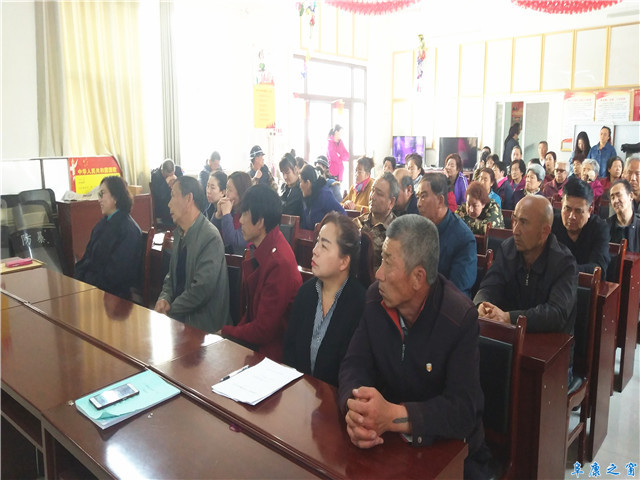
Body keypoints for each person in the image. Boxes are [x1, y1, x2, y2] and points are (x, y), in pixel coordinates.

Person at [338, 215, 489, 478]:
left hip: (450, 453)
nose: (378, 273)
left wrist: (394, 416)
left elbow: (463, 409)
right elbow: (354, 364)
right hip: (388, 445)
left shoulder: (458, 318)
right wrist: (356, 410)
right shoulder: (375, 299)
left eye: (387, 262)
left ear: (418, 277)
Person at [474, 195, 577, 334]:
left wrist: (509, 317)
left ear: (544, 231)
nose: (515, 230)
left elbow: (556, 313)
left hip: (548, 340)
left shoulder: (564, 263)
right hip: (509, 333)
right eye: (515, 220)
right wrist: (481, 304)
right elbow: (489, 286)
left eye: (523, 222)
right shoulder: (507, 249)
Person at [221, 185, 302, 362]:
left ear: (260, 222)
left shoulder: (279, 262)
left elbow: (263, 330)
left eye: (245, 214)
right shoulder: (267, 247)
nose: (240, 220)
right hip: (257, 347)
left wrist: (225, 331)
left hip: (272, 357)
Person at [283, 213, 365, 386]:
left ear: (344, 262)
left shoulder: (360, 304)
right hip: (298, 392)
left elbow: (354, 372)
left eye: (324, 246)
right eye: (317, 241)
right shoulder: (305, 293)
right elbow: (289, 349)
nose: (315, 250)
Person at [154, 176, 232, 333]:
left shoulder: (210, 237)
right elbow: (171, 277)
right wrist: (164, 298)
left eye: (173, 196)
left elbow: (201, 290)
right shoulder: (180, 232)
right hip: (179, 319)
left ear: (188, 198)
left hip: (203, 327)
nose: (169, 204)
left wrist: (170, 308)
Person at [74, 176, 142, 299]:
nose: (99, 199)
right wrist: (78, 277)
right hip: (93, 287)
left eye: (102, 193)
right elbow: (87, 258)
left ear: (115, 197)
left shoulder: (129, 230)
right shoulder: (102, 224)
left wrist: (86, 282)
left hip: (115, 297)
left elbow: (116, 274)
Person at [416, 173, 476, 296]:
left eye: (423, 196)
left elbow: (457, 291)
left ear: (440, 200)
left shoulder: (464, 238)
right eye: (418, 197)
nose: (418, 204)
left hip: (447, 302)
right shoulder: (417, 229)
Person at [551, 176, 610, 277]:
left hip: (584, 285)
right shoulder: (553, 223)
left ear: (590, 210)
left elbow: (598, 268)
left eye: (578, 211)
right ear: (562, 205)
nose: (571, 216)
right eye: (567, 209)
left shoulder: (599, 228)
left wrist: (565, 271)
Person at [354, 172, 398, 270]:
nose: (372, 197)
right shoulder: (358, 223)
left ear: (391, 202)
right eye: (372, 190)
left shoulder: (396, 232)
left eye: (379, 194)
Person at [212, 171, 252, 254]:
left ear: (241, 193)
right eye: (226, 188)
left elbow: (232, 241)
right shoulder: (230, 210)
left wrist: (226, 214)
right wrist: (218, 215)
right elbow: (210, 234)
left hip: (242, 258)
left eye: (230, 190)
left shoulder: (249, 214)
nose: (226, 194)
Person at [300, 164, 346, 230]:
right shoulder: (307, 198)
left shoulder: (324, 195)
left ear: (308, 183)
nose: (300, 186)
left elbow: (343, 215)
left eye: (301, 181)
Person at [608, 179, 640, 252]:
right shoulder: (605, 227)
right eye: (612, 197)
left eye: (619, 195)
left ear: (631, 196)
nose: (615, 200)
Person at [150, 158, 183, 227]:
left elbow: (184, 188)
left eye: (172, 174)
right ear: (162, 171)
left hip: (177, 204)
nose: (171, 177)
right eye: (168, 176)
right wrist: (166, 182)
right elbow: (160, 195)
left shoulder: (178, 171)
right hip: (164, 208)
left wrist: (176, 182)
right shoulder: (156, 176)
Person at [279, 152, 304, 218]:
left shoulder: (302, 188)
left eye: (287, 172)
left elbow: (287, 211)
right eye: (283, 173)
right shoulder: (284, 187)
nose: (285, 177)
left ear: (295, 169)